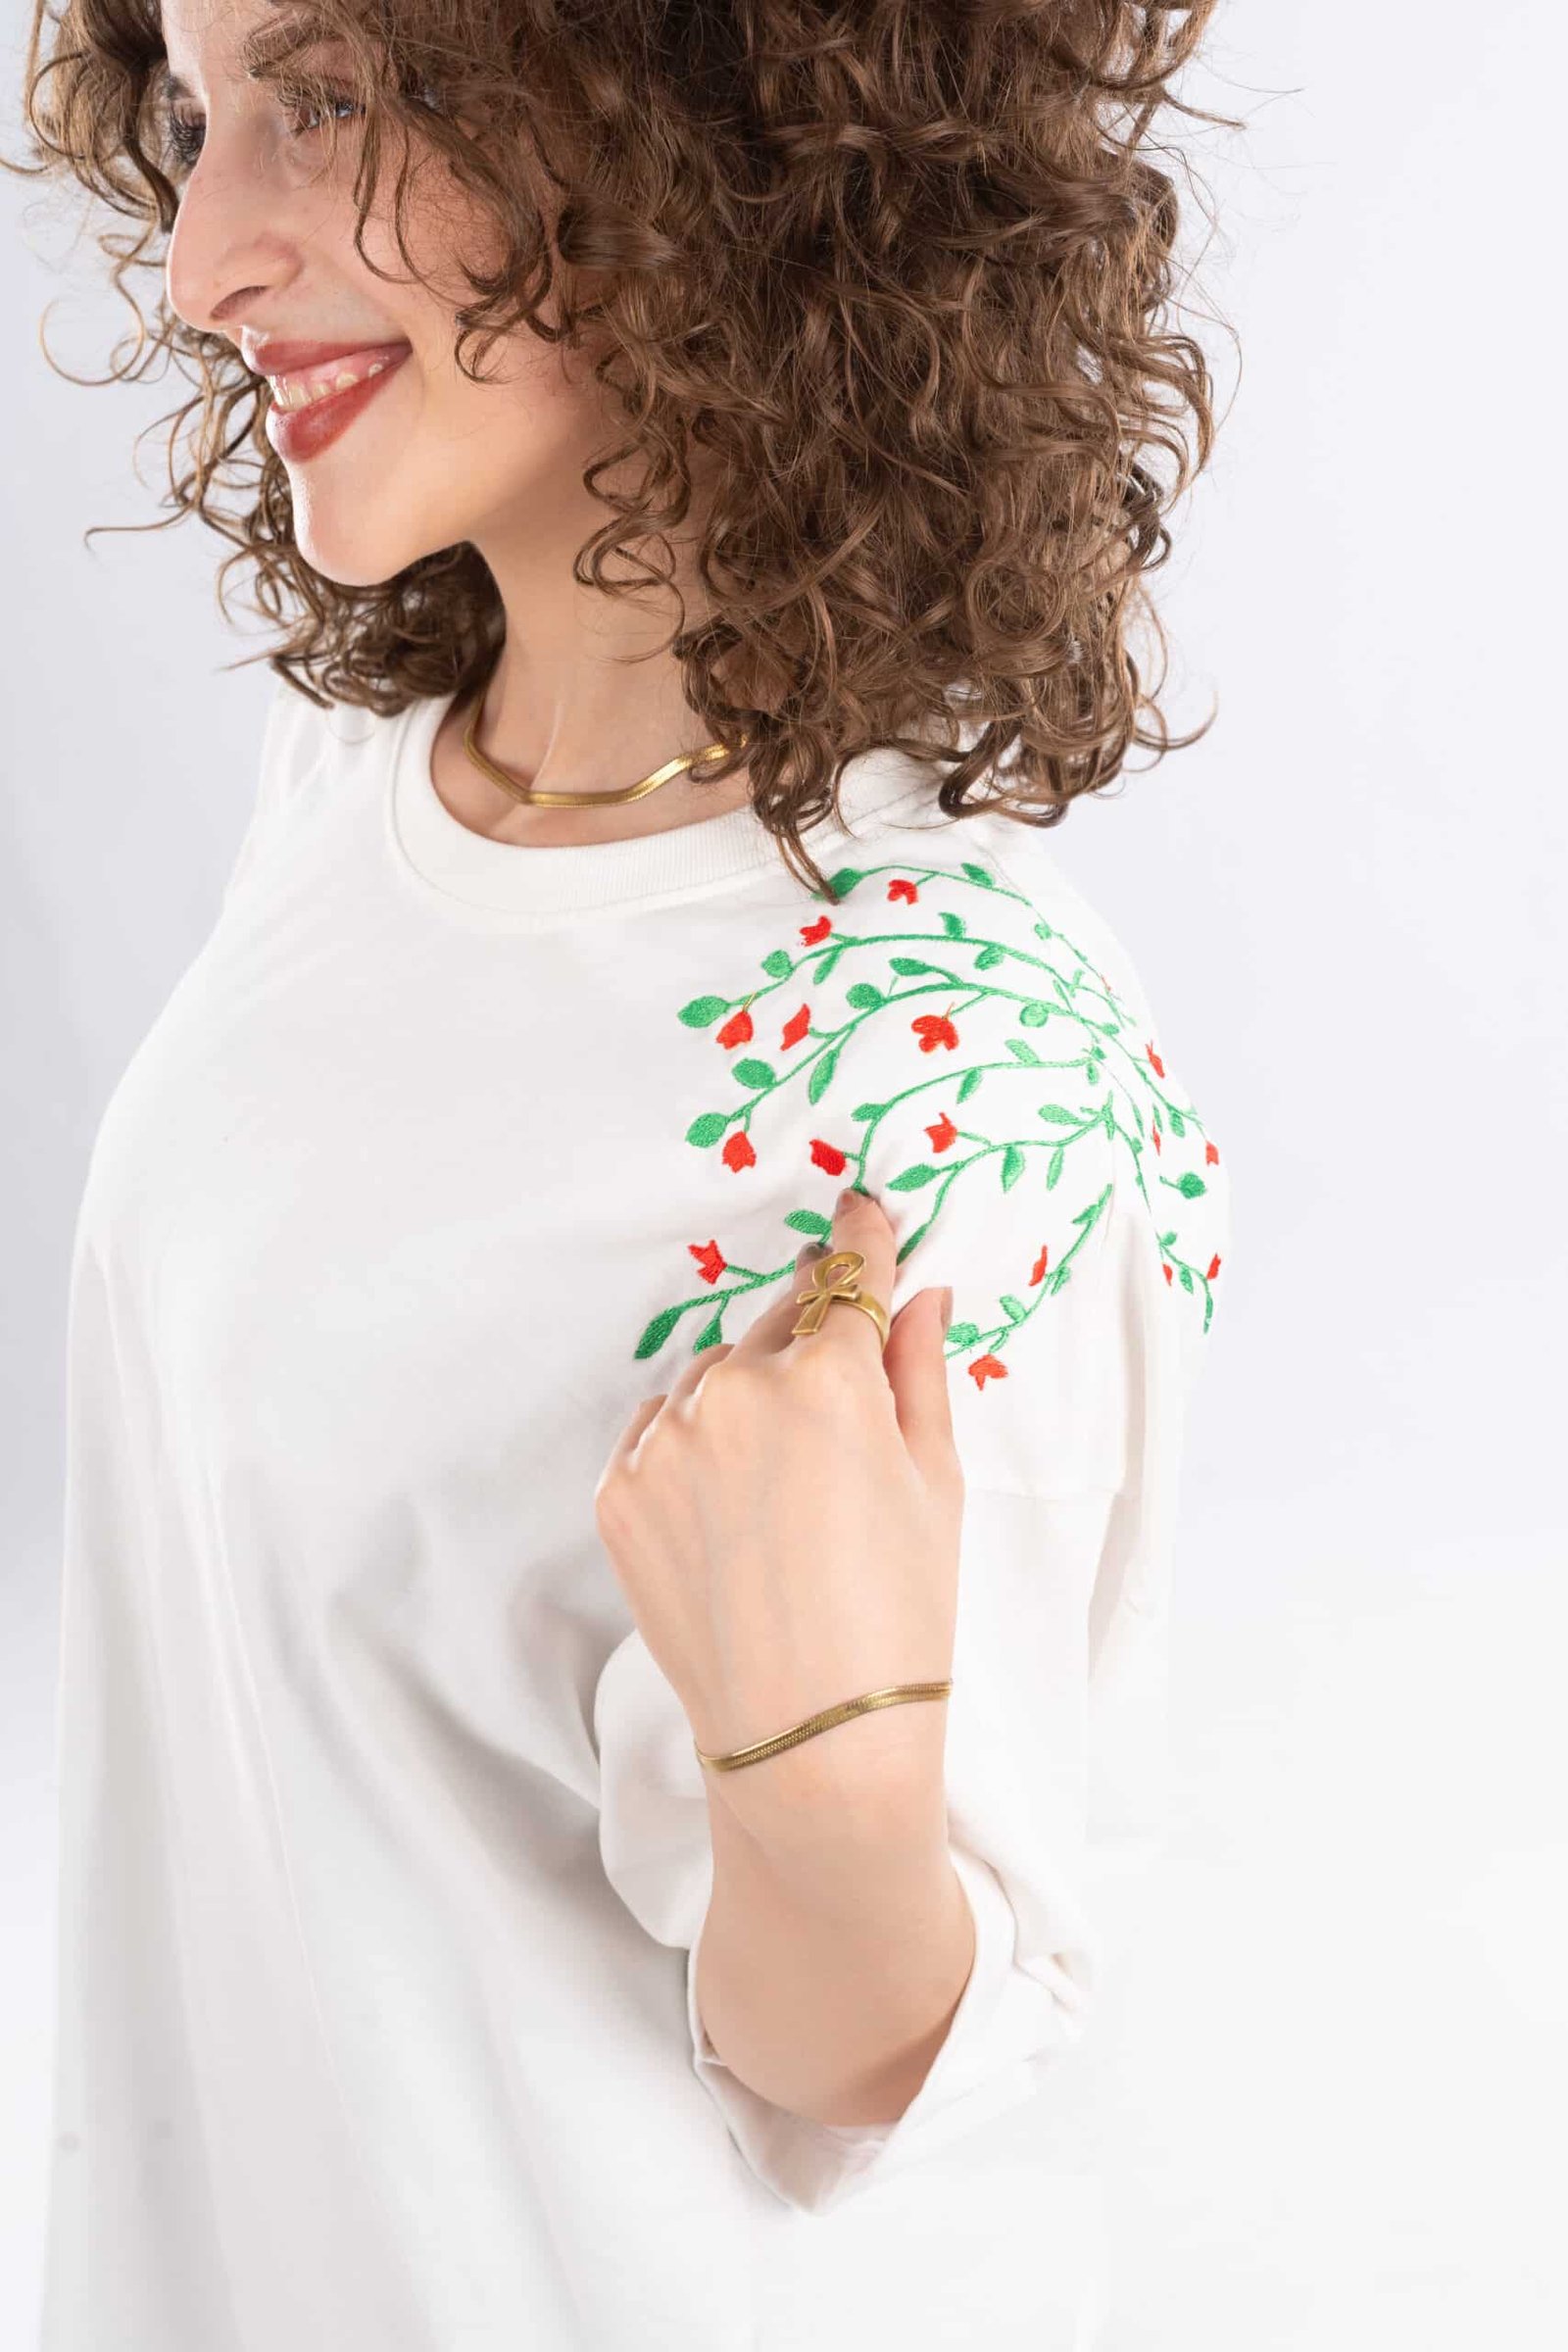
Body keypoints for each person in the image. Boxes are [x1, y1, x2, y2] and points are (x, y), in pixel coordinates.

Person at [18, 2, 1231, 2345]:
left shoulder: (949, 1063)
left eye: (329, 96)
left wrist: (820, 1781)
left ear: (692, 109)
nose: (196, 257)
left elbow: (869, 2072)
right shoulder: (361, 784)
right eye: (191, 114)